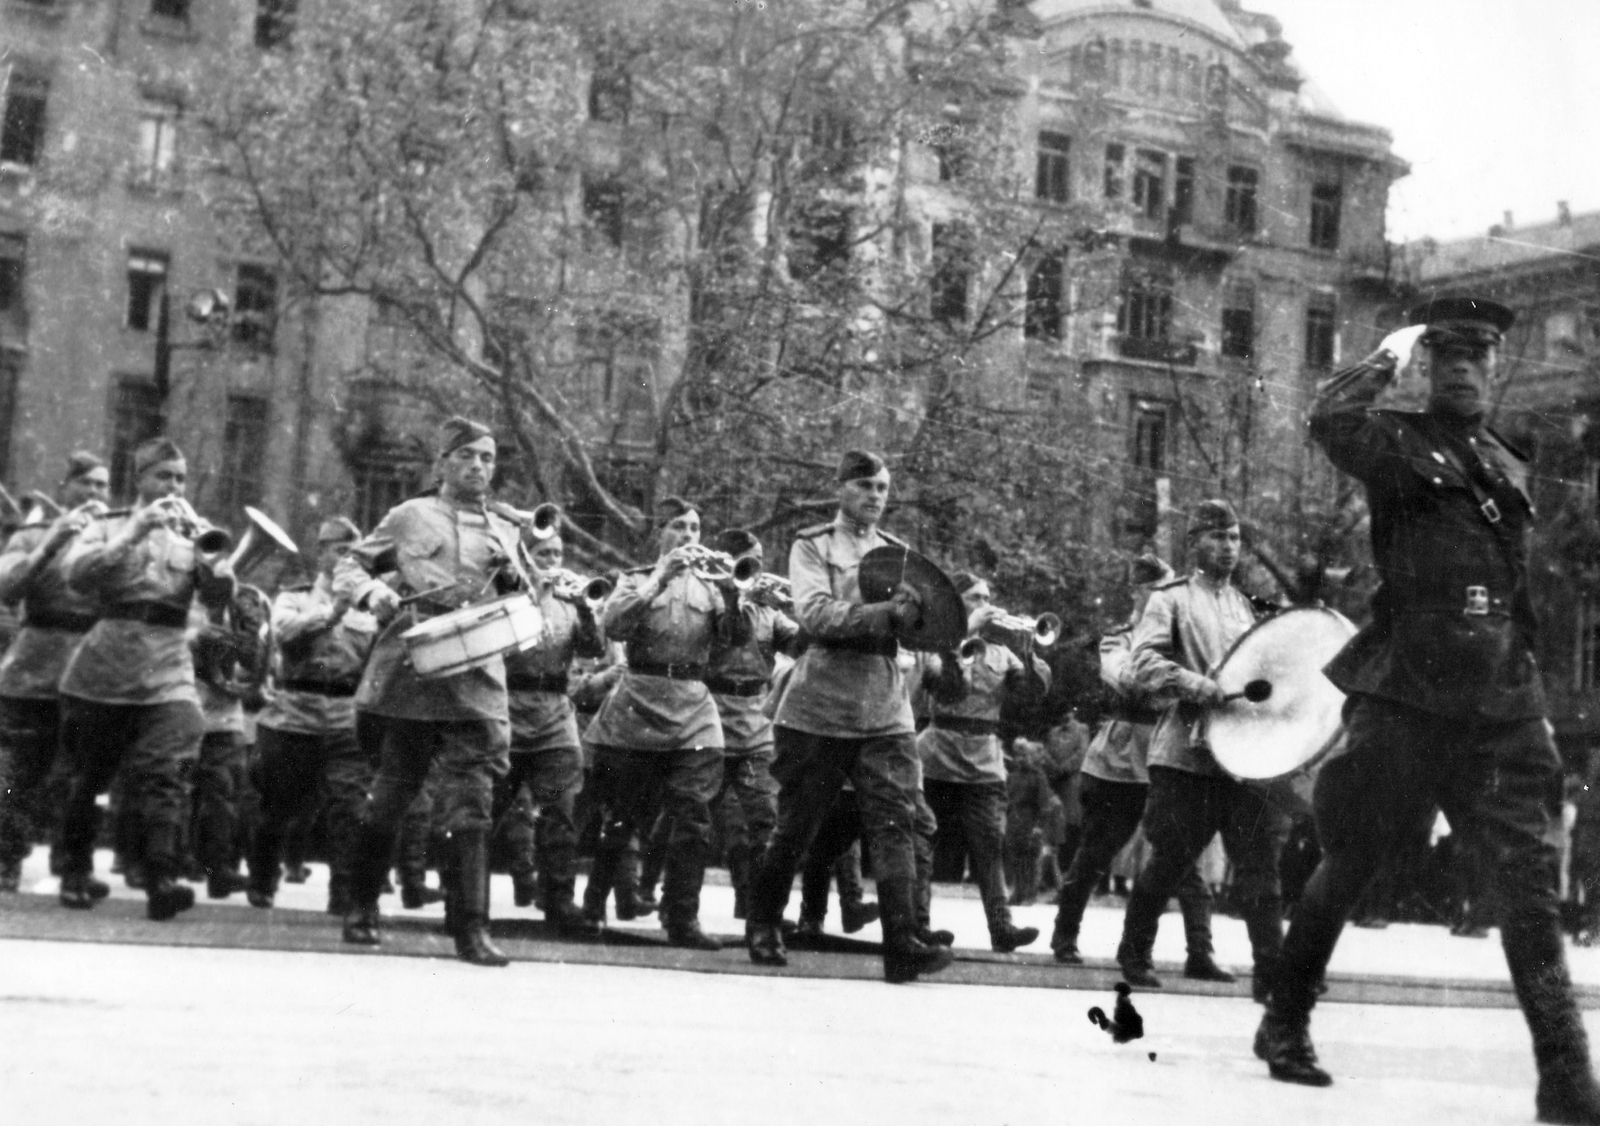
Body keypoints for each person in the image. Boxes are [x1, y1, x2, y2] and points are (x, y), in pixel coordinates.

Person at [1255, 298, 1600, 1124]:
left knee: (1527, 889)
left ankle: (1566, 1076)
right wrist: (1385, 354)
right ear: (1426, 364)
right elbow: (1329, 417)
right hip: (1410, 695)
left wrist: (1537, 700)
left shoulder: (1509, 459)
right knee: (1356, 861)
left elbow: (1520, 593)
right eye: (1444, 357)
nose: (1461, 370)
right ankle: (1286, 1018)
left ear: (1493, 367)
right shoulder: (1395, 441)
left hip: (1502, 704)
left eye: (1475, 358)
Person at [744, 449, 955, 983]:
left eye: (883, 488)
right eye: (865, 486)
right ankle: (765, 923)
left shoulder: (898, 554)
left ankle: (901, 943)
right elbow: (813, 613)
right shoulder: (812, 546)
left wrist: (923, 619)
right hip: (820, 703)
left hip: (885, 705)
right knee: (796, 824)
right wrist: (887, 612)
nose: (876, 496)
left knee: (895, 823)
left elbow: (922, 630)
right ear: (841, 489)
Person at [334, 416, 527, 967]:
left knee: (473, 798)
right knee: (394, 790)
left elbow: (526, 594)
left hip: (478, 671)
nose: (478, 467)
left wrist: (516, 582)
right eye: (466, 456)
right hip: (416, 666)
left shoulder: (507, 528)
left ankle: (471, 928)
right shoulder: (409, 516)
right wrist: (371, 591)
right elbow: (350, 564)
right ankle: (362, 907)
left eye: (487, 458)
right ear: (442, 463)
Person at [1111, 500, 1291, 995]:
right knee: (1171, 859)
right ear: (1194, 543)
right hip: (1186, 756)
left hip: (1244, 757)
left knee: (1259, 867)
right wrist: (1194, 684)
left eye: (1234, 538)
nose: (1228, 548)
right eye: (1217, 538)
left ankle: (1272, 972)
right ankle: (1134, 953)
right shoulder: (1169, 600)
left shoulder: (1249, 608)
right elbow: (1139, 663)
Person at [55, 438, 234, 920]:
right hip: (105, 667)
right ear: (140, 480)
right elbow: (78, 576)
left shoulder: (193, 536)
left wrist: (213, 558)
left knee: (166, 774)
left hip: (168, 668)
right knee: (90, 777)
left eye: (179, 478)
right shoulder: (108, 525)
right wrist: (134, 531)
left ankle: (162, 878)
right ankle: (75, 871)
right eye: (163, 477)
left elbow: (219, 598)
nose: (173, 487)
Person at [1050, 555, 1234, 983]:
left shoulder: (1183, 639)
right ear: (1138, 592)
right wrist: (1176, 674)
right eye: (1158, 590)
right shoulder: (1119, 639)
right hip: (1123, 756)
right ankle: (1065, 936)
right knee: (1097, 851)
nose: (1169, 600)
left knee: (1183, 856)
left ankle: (1201, 952)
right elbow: (1127, 679)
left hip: (1172, 752)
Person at [583, 497, 748, 949]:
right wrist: (659, 579)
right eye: (679, 527)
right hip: (638, 702)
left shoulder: (713, 586)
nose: (690, 537)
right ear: (661, 534)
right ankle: (594, 906)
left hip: (693, 704)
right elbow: (613, 626)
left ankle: (682, 918)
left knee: (693, 816)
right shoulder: (634, 579)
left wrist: (735, 596)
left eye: (695, 528)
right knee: (622, 815)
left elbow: (736, 640)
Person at [247, 516, 379, 914]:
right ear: (322, 552)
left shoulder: (369, 608)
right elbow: (283, 630)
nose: (346, 561)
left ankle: (343, 892)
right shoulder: (296, 597)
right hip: (295, 713)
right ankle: (263, 881)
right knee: (278, 806)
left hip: (345, 715)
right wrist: (332, 612)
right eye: (340, 551)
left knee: (350, 807)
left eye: (355, 555)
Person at [914, 572, 1049, 951]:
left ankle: (1002, 927)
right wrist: (961, 636)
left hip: (984, 759)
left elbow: (1028, 700)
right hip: (938, 754)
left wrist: (1027, 651)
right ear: (956, 603)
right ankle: (918, 925)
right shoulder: (936, 643)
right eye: (975, 597)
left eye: (988, 596)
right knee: (923, 843)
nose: (986, 603)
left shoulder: (1002, 653)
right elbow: (946, 688)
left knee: (990, 842)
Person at [0, 453, 110, 893]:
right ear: (66, 487)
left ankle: (71, 864)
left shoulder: (111, 537)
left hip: (88, 669)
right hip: (34, 667)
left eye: (103, 487)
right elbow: (7, 589)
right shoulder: (31, 534)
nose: (96, 494)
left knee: (80, 776)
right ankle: (6, 859)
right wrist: (50, 544)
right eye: (87, 485)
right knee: (20, 773)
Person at [488, 529, 605, 934]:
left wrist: (587, 610)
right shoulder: (507, 592)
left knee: (562, 810)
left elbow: (594, 649)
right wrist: (535, 592)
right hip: (508, 709)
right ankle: (468, 898)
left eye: (558, 552)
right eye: (544, 553)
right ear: (526, 558)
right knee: (491, 807)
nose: (554, 560)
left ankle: (559, 900)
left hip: (555, 716)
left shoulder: (570, 601)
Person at [703, 527, 798, 919]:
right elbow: (731, 633)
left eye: (757, 562)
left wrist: (805, 607)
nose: (757, 569)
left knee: (764, 818)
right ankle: (666, 899)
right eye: (749, 561)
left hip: (756, 720)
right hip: (711, 716)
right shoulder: (709, 598)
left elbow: (799, 644)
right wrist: (733, 592)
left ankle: (758, 908)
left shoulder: (768, 610)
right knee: (717, 821)